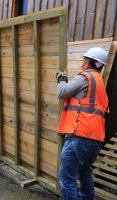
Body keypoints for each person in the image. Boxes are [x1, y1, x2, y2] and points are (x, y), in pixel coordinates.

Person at [56, 47, 109, 200]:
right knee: (85, 172)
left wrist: (61, 80)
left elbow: (62, 92)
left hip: (79, 137)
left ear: (90, 63)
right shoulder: (100, 85)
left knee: (67, 179)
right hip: (95, 140)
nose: (82, 64)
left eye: (84, 61)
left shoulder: (85, 78)